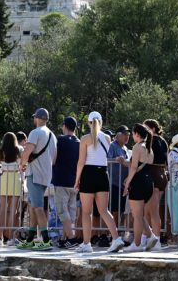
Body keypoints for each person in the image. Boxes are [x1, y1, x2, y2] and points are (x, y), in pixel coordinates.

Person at [74, 111, 125, 253]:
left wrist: (77, 180)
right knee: (104, 210)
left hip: (88, 174)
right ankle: (116, 239)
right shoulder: (107, 138)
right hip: (103, 173)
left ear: (89, 123)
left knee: (86, 212)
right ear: (101, 122)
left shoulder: (85, 138)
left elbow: (81, 161)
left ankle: (86, 243)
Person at [19, 108, 56, 250]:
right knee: (33, 207)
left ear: (37, 118)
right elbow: (54, 158)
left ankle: (46, 240)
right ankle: (30, 239)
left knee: (38, 208)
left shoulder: (35, 132)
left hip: (34, 174)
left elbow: (27, 152)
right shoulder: (52, 135)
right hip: (46, 175)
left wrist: (22, 164)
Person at [122, 124, 159, 251]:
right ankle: (151, 235)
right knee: (138, 214)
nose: (132, 136)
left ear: (137, 134)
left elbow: (133, 168)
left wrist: (127, 184)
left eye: (133, 134)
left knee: (137, 216)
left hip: (138, 182)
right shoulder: (149, 149)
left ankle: (137, 244)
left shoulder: (137, 147)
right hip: (149, 183)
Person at [53, 116, 81, 249]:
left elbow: (54, 157)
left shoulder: (60, 140)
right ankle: (64, 239)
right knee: (70, 212)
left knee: (62, 211)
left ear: (64, 126)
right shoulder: (79, 142)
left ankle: (71, 238)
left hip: (61, 180)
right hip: (74, 181)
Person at [143, 119, 168, 251]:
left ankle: (155, 240)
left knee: (152, 211)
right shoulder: (163, 141)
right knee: (148, 210)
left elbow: (147, 158)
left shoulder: (150, 140)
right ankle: (147, 238)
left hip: (153, 174)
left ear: (152, 128)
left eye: (145, 128)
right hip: (162, 174)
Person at [0, 132, 22, 246]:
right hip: (15, 178)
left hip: (4, 178)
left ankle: (0, 238)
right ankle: (10, 238)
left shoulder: (1, 151)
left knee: (2, 211)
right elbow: (22, 165)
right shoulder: (19, 150)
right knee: (13, 211)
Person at [107, 125, 131, 229]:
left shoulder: (125, 148)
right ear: (117, 135)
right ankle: (111, 233)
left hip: (123, 185)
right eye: (125, 134)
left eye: (128, 134)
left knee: (121, 211)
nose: (127, 137)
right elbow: (106, 159)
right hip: (113, 184)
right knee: (114, 211)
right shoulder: (112, 146)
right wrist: (116, 159)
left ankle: (115, 232)